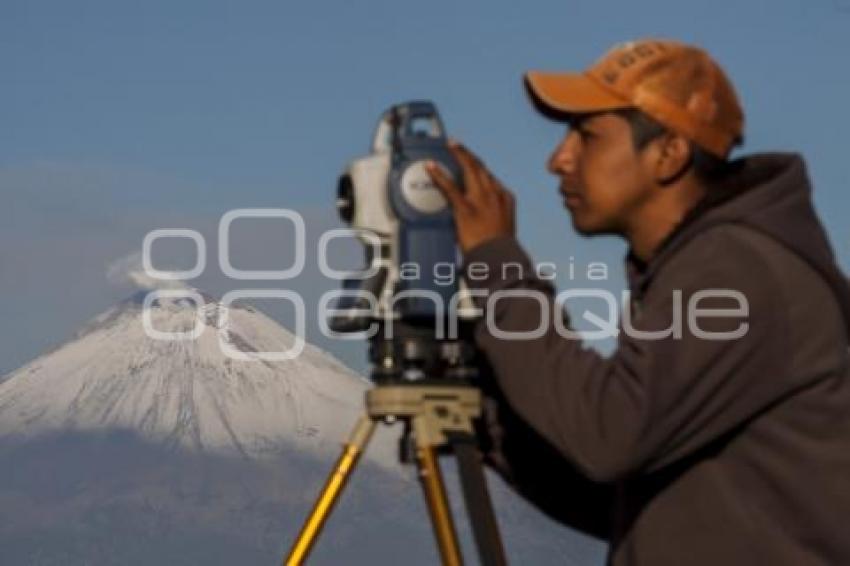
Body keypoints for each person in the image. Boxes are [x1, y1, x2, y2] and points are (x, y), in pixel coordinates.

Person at [426, 38, 850, 565]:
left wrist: (498, 263)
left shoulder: (736, 272)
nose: (559, 160)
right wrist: (490, 418)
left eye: (587, 136)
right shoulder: (701, 267)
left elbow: (607, 435)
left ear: (669, 152)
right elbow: (625, 501)